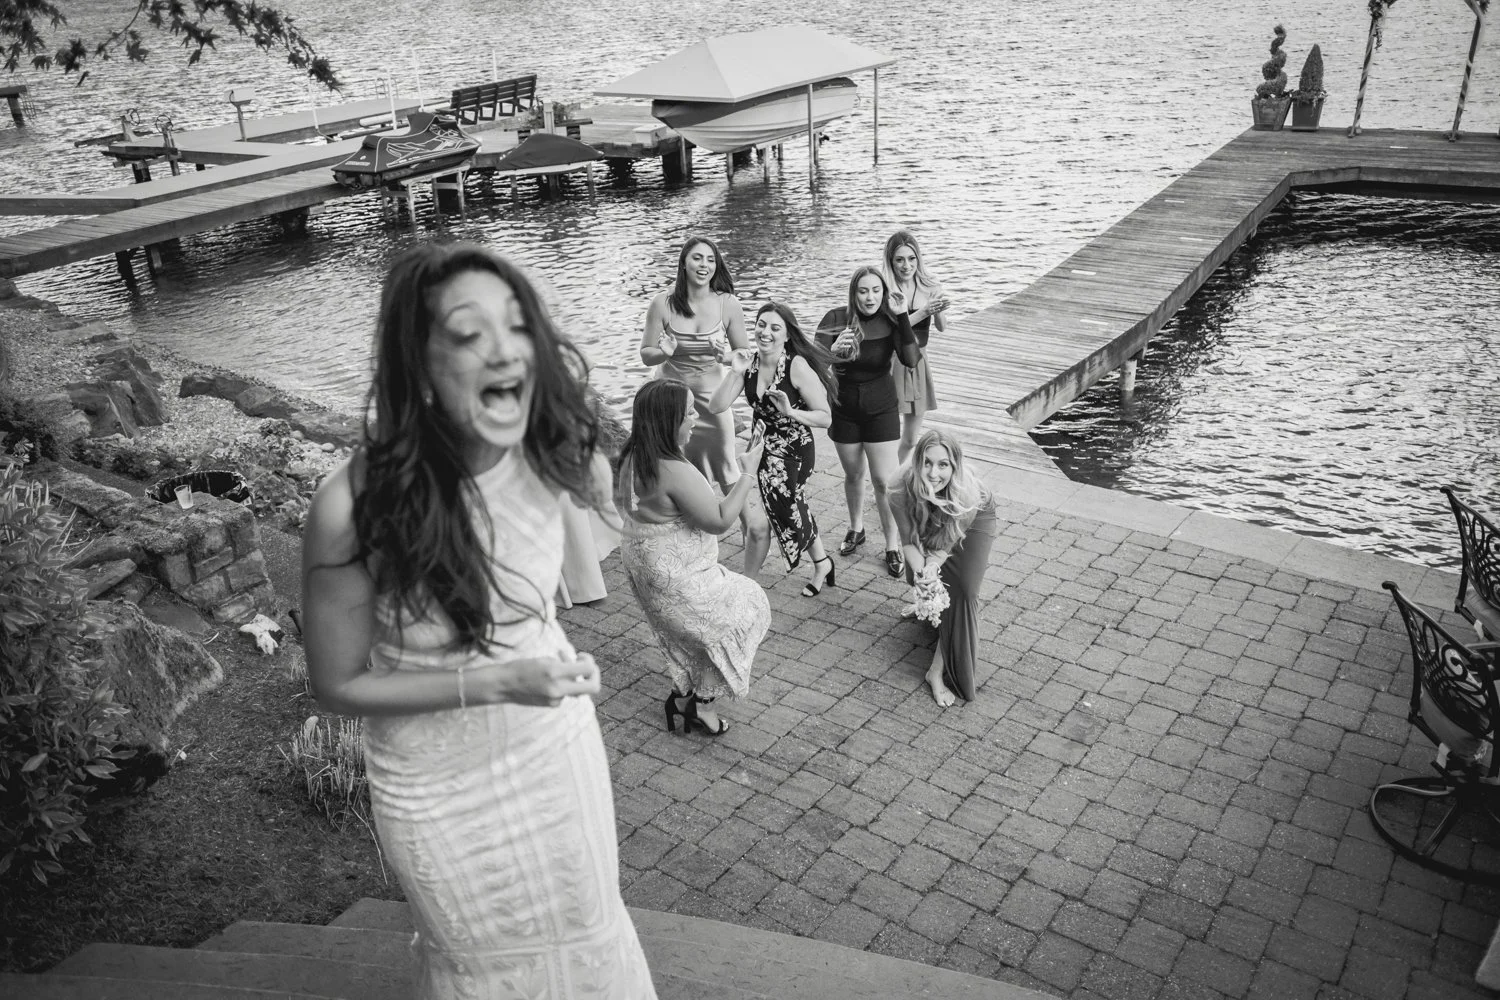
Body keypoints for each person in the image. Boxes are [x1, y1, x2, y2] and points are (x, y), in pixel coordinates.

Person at [301, 243, 656, 998]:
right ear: (418, 363)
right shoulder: (348, 508)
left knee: (590, 935)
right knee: (479, 968)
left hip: (549, 750)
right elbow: (336, 684)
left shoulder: (551, 446)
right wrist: (493, 682)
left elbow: (608, 518)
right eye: (468, 334)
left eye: (518, 324)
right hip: (435, 785)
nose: (503, 349)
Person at [616, 378, 772, 736]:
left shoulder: (632, 454)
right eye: (688, 412)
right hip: (673, 573)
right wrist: (748, 471)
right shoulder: (673, 470)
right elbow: (719, 520)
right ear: (669, 421)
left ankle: (682, 697)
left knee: (688, 633)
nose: (695, 417)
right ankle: (702, 705)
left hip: (643, 565)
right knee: (747, 605)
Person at [640, 235, 771, 575]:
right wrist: (665, 351)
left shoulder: (728, 303)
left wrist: (724, 355)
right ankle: (679, 558)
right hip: (670, 404)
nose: (704, 265)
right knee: (675, 476)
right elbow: (646, 354)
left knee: (729, 472)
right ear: (684, 262)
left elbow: (744, 355)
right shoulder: (662, 303)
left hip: (713, 404)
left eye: (710, 260)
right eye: (697, 258)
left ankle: (748, 568)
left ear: (717, 265)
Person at [708, 301, 839, 593]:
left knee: (764, 522)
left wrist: (791, 411)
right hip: (762, 449)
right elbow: (716, 406)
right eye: (761, 325)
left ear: (787, 335)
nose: (766, 332)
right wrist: (735, 371)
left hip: (794, 451)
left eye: (775, 328)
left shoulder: (797, 366)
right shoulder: (749, 362)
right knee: (794, 506)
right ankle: (822, 562)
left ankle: (746, 588)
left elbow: (825, 417)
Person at [816, 265, 920, 579]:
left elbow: (911, 359)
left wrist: (902, 315)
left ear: (884, 293)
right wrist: (832, 352)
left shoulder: (890, 320)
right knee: (853, 474)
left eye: (876, 290)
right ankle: (856, 528)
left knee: (884, 482)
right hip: (844, 408)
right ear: (854, 293)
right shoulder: (835, 319)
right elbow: (811, 361)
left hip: (881, 409)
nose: (870, 297)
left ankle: (892, 545)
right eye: (863, 291)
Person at [891, 429, 1000, 707]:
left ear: (955, 466)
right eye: (927, 462)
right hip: (926, 511)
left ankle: (935, 672)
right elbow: (909, 543)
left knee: (961, 588)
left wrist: (932, 570)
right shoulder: (899, 489)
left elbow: (941, 550)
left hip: (972, 518)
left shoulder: (969, 495)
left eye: (943, 465)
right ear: (917, 462)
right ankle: (924, 606)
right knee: (925, 578)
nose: (933, 472)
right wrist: (923, 576)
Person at [881, 230, 952, 464]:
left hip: (919, 360)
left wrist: (940, 307)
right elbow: (891, 329)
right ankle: (883, 481)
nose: (906, 265)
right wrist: (924, 312)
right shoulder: (885, 287)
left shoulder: (929, 285)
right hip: (892, 360)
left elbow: (941, 327)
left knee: (911, 439)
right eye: (899, 259)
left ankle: (893, 479)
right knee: (887, 433)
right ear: (891, 261)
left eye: (911, 259)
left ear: (918, 259)